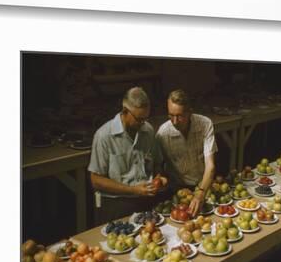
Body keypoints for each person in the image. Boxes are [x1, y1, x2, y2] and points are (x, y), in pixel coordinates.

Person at [88, 86, 165, 225]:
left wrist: (158, 178)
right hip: (116, 203)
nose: (143, 123)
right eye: (139, 119)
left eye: (145, 118)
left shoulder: (147, 130)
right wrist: (133, 190)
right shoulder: (104, 135)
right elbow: (96, 180)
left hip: (145, 201)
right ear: (125, 111)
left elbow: (157, 164)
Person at [156, 89, 217, 216]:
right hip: (177, 191)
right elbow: (157, 166)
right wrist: (160, 178)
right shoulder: (162, 133)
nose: (174, 121)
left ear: (190, 112)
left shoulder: (205, 124)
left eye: (179, 116)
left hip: (203, 186)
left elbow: (210, 166)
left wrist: (201, 192)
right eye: (170, 115)